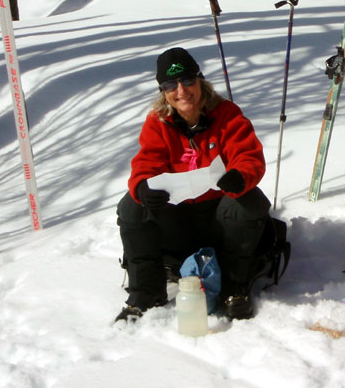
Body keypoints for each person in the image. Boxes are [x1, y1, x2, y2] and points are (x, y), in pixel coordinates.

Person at [115, 47, 272, 323]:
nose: (181, 90)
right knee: (131, 206)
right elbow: (145, 163)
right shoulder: (158, 123)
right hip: (178, 221)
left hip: (220, 221)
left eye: (188, 81)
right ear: (163, 91)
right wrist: (142, 188)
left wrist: (240, 176)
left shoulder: (226, 114)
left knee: (250, 200)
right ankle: (146, 293)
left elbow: (248, 156)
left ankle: (235, 289)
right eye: (170, 85)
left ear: (200, 81)